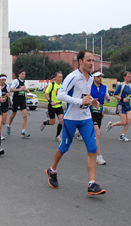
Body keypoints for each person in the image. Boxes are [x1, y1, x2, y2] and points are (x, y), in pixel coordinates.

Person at [45, 50, 106, 196]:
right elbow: (61, 95)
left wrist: (92, 102)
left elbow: (85, 96)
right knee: (65, 146)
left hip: (85, 117)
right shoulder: (72, 77)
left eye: (93, 60)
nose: (92, 63)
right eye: (89, 60)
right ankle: (52, 170)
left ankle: (92, 184)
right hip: (71, 118)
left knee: (92, 148)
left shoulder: (90, 78)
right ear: (80, 61)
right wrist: (80, 101)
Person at [106, 71, 131, 142]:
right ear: (124, 77)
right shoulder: (121, 85)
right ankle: (111, 125)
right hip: (121, 105)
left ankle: (123, 135)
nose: (129, 78)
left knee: (129, 120)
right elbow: (114, 94)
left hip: (128, 105)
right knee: (124, 122)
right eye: (128, 77)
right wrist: (122, 99)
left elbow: (129, 96)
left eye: (130, 76)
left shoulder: (130, 86)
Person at [90, 71, 110, 165]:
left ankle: (92, 152)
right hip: (90, 112)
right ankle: (99, 156)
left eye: (101, 77)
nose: (100, 78)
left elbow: (107, 99)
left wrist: (108, 98)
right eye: (98, 77)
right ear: (94, 78)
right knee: (97, 134)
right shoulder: (89, 86)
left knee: (94, 135)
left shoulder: (104, 87)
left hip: (99, 112)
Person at [39, 72, 64, 142]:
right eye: (59, 77)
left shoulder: (62, 85)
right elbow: (46, 93)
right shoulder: (51, 85)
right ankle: (45, 122)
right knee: (52, 122)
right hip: (52, 106)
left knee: (61, 120)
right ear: (55, 78)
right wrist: (50, 101)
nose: (61, 78)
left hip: (59, 105)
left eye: (61, 77)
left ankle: (57, 136)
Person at [7, 70, 31, 138]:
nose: (24, 75)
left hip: (22, 99)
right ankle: (9, 125)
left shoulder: (24, 81)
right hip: (16, 99)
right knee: (13, 114)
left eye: (25, 74)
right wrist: (20, 89)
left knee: (25, 115)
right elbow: (11, 89)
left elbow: (23, 88)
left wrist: (26, 90)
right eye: (22, 74)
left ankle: (23, 131)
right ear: (19, 75)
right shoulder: (16, 81)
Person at [0, 74, 11, 141]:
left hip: (5, 104)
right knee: (0, 120)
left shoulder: (7, 86)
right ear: (0, 80)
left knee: (3, 122)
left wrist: (7, 95)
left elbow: (8, 94)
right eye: (2, 79)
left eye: (5, 79)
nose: (4, 81)